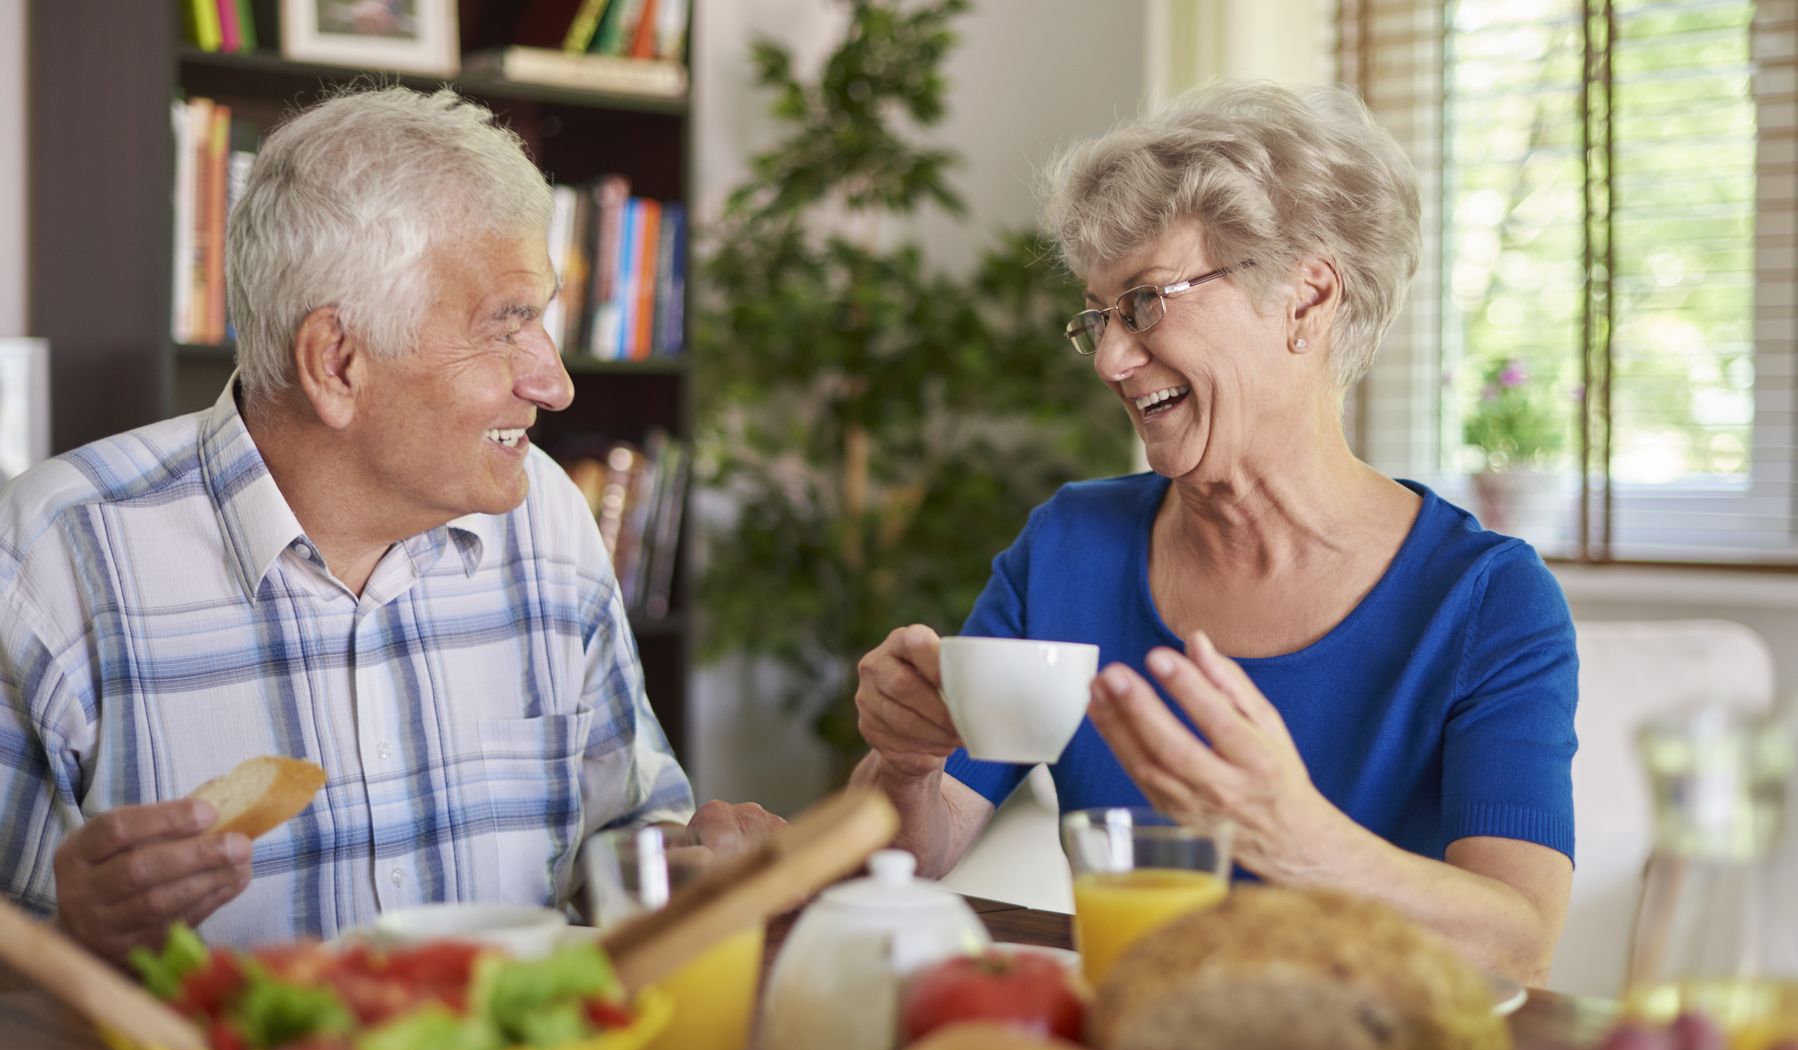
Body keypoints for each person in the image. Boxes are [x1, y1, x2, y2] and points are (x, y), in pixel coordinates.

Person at [0, 86, 782, 964]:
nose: (553, 384)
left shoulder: (550, 517)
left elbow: (618, 841)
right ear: (338, 363)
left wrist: (684, 869)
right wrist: (76, 936)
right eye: (506, 327)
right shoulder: (49, 560)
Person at [852, 81, 1575, 984]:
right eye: (1100, 317)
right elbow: (919, 852)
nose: (1113, 358)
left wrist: (1292, 835)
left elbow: (1519, 942)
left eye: (1147, 302)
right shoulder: (1071, 546)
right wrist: (907, 763)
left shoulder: (1484, 599)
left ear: (1307, 300)